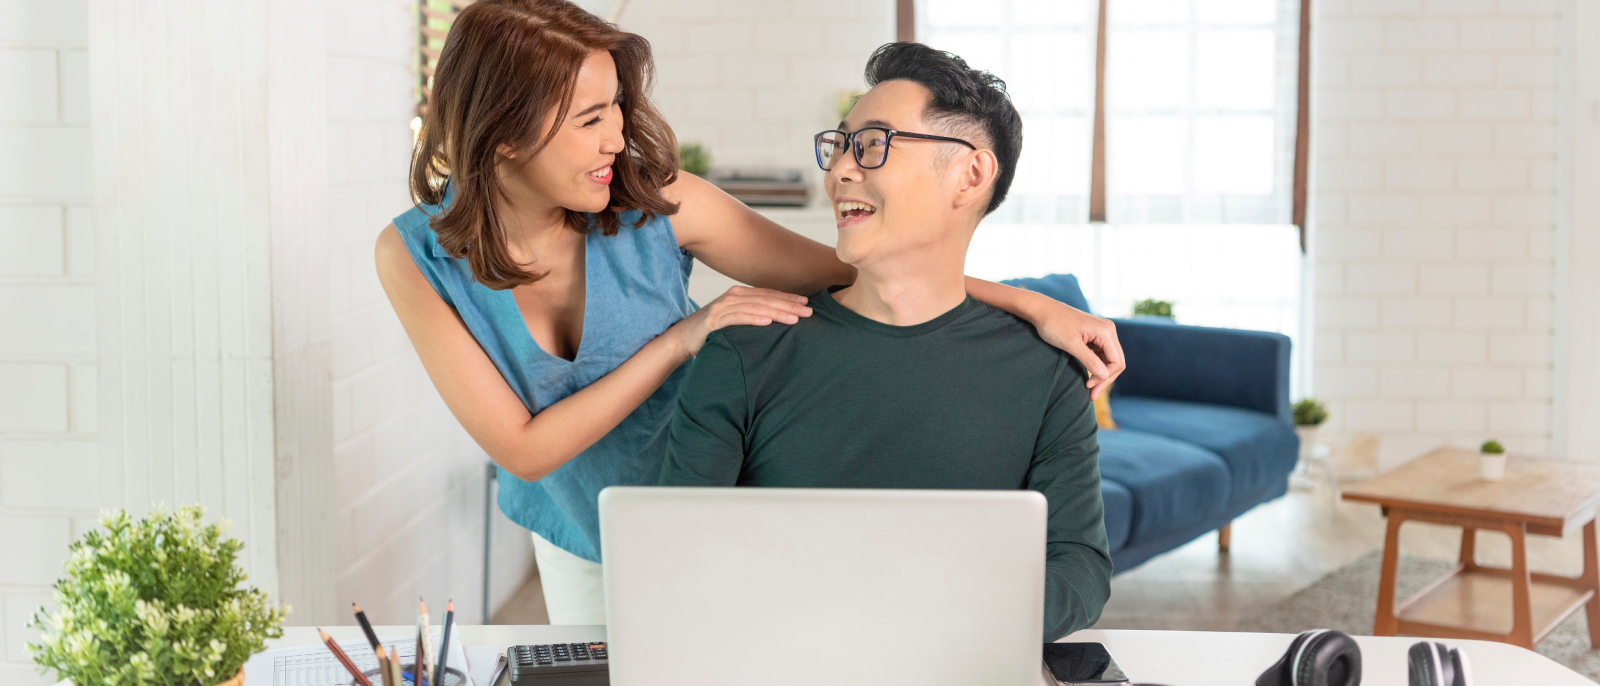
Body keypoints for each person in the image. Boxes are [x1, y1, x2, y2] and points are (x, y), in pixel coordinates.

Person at [375, 0, 1123, 625]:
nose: (616, 137)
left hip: (706, 488)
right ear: (505, 133)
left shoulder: (657, 202)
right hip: (578, 516)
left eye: (618, 110)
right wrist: (681, 340)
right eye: (589, 119)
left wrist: (1023, 303)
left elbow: (859, 265)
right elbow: (525, 449)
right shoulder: (414, 255)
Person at [658, 42, 1112, 641]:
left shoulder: (1048, 371)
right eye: (840, 144)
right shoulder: (746, 348)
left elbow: (1080, 566)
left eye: (873, 145)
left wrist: (947, 626)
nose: (840, 169)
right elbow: (673, 555)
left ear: (970, 175)